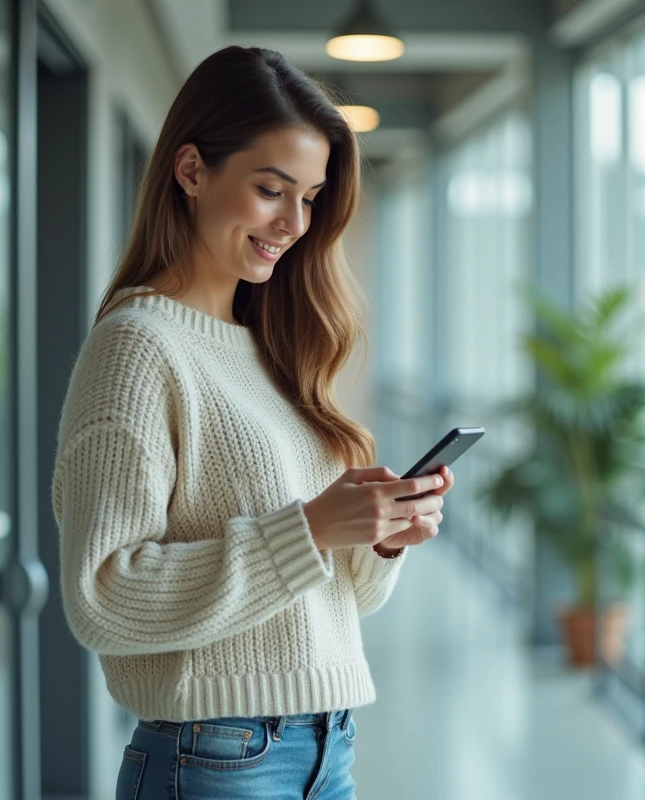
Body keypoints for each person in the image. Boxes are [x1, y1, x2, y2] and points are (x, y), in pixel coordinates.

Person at [51, 45, 455, 800]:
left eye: (309, 197)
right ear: (193, 170)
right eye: (271, 190)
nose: (294, 223)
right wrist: (309, 529)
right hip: (213, 760)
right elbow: (101, 594)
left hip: (326, 748)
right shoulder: (139, 346)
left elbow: (338, 599)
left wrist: (376, 539)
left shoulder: (269, 344)